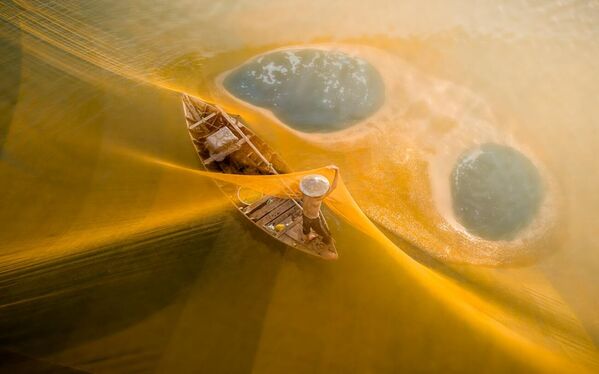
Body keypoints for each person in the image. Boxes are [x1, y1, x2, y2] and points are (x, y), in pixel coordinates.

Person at [299, 166, 339, 244]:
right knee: (324, 233)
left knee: (306, 228)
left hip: (304, 215)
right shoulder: (318, 198)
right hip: (314, 219)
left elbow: (306, 181)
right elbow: (334, 186)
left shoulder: (304, 193)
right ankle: (327, 241)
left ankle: (307, 238)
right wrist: (337, 171)